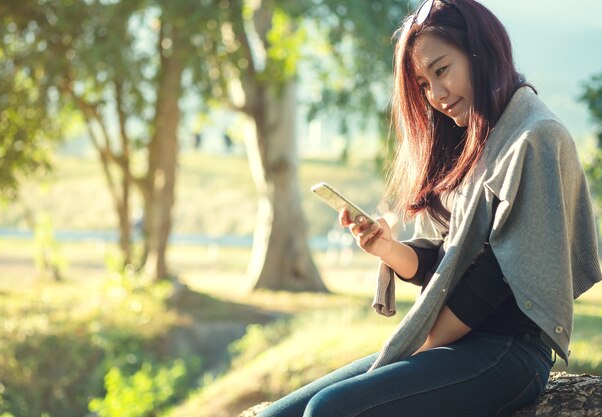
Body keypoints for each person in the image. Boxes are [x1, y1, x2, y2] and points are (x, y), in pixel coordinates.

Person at [256, 1, 602, 416]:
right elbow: (450, 259)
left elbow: (493, 279)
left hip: (506, 353)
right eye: (423, 84)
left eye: (441, 71)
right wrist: (388, 248)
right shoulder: (474, 140)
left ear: (482, 51)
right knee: (279, 415)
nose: (435, 96)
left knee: (330, 410)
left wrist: (416, 344)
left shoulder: (535, 136)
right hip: (455, 343)